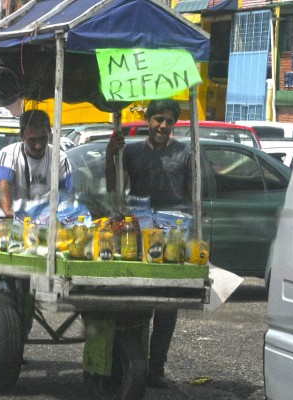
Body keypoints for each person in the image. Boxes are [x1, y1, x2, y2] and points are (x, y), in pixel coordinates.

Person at [105, 98, 190, 388]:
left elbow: (194, 197)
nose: (162, 126)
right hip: (138, 241)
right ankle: (129, 366)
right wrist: (110, 156)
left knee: (167, 308)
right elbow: (114, 189)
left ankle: (156, 369)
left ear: (174, 123)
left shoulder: (186, 153)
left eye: (168, 121)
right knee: (137, 305)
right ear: (148, 121)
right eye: (157, 120)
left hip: (173, 241)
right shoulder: (132, 152)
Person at [0, 109, 73, 217]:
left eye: (43, 138)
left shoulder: (59, 157)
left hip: (46, 221)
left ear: (49, 133)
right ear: (22, 135)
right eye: (32, 140)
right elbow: (2, 186)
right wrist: (9, 213)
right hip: (11, 220)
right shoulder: (8, 154)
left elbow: (67, 195)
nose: (38, 145)